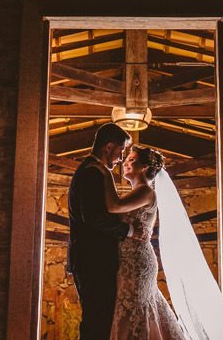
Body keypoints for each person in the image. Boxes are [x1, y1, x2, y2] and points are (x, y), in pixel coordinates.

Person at [100, 145, 223, 340]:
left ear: (145, 166)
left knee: (134, 309)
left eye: (131, 160)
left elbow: (113, 207)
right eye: (126, 159)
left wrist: (104, 172)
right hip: (127, 260)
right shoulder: (137, 193)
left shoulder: (146, 192)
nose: (125, 163)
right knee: (135, 309)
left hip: (137, 262)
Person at [68, 123, 145, 340]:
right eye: (121, 151)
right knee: (97, 321)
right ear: (109, 147)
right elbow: (93, 217)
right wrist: (128, 230)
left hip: (93, 260)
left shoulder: (93, 170)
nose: (121, 158)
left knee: (98, 319)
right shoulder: (91, 172)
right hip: (93, 260)